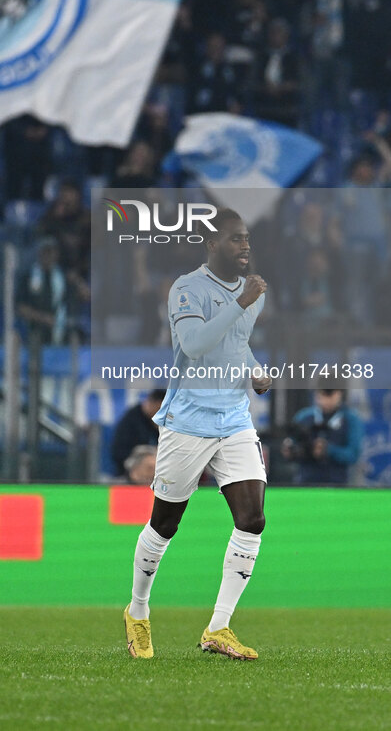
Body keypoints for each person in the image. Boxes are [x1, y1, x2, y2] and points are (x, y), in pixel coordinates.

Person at [123, 208, 271, 661]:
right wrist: (241, 303)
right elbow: (195, 345)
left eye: (246, 238)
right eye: (234, 239)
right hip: (188, 420)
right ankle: (138, 610)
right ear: (212, 245)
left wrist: (255, 371)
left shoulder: (253, 294)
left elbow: (235, 343)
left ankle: (219, 628)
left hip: (233, 419)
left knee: (253, 519)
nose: (244, 246)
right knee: (165, 523)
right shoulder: (187, 289)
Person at [281, 388, 363, 484]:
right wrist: (290, 450)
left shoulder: (350, 419)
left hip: (337, 483)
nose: (324, 398)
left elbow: (353, 454)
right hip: (304, 481)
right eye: (321, 393)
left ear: (340, 393)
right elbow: (291, 443)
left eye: (329, 393)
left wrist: (327, 450)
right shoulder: (304, 417)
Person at [111, 389, 165, 477]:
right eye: (159, 409)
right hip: (129, 470)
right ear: (152, 403)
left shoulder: (160, 422)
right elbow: (119, 452)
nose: (161, 414)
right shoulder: (131, 420)